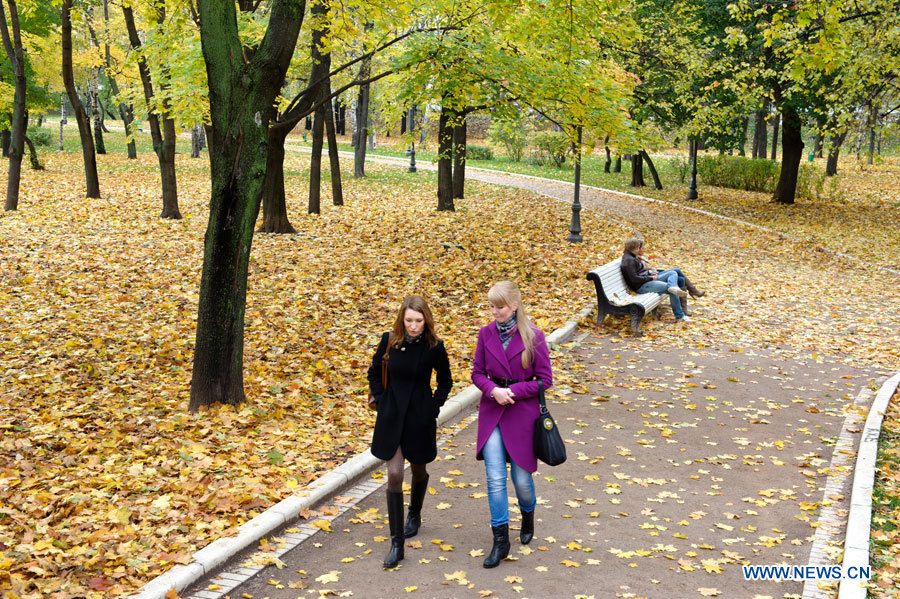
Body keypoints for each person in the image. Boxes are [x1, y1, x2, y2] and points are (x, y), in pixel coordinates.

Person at [471, 281, 553, 568]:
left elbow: (545, 381)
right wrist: (493, 391)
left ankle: (528, 513)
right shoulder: (485, 334)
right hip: (493, 410)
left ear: (514, 306)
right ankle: (501, 540)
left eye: (500, 307)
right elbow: (477, 373)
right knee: (495, 478)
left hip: (522, 413)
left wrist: (514, 392)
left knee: (521, 480)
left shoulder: (535, 338)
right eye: (492, 306)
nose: (495, 312)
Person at [368, 296, 453, 568]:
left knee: (418, 470)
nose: (414, 326)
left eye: (418, 321)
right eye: (409, 320)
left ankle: (414, 514)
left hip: (419, 418)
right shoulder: (389, 340)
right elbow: (373, 372)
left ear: (425, 320)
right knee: (394, 473)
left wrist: (434, 407)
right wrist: (381, 401)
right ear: (401, 319)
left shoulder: (434, 347)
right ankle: (397, 543)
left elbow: (445, 380)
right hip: (391, 416)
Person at [620, 236, 704, 322]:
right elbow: (635, 279)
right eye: (639, 247)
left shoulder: (631, 257)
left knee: (677, 277)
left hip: (646, 281)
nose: (640, 249)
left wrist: (650, 273)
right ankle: (680, 316)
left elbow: (639, 273)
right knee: (671, 284)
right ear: (634, 247)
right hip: (641, 286)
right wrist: (650, 277)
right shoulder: (629, 260)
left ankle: (678, 294)